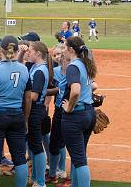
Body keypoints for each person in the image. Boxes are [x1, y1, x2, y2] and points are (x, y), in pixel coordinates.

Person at [0, 35, 32, 187]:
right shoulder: (24, 69)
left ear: (1, 50)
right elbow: (27, 99)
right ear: (16, 50)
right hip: (17, 115)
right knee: (20, 157)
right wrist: (25, 119)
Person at [61, 36, 97, 187]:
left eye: (64, 47)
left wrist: (69, 108)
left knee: (79, 159)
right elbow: (93, 86)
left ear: (71, 49)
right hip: (89, 113)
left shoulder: (73, 66)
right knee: (80, 156)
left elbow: (75, 91)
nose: (63, 50)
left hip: (76, 115)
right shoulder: (86, 63)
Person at [26, 41, 53, 187]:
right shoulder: (37, 67)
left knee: (36, 146)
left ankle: (40, 182)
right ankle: (36, 178)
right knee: (33, 145)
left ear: (38, 53)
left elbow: (34, 96)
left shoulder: (40, 70)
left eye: (30, 50)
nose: (28, 52)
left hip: (35, 110)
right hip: (36, 110)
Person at [46, 44, 70, 185]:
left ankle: (65, 172)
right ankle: (53, 173)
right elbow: (50, 90)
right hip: (58, 110)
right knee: (54, 142)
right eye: (56, 54)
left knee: (68, 143)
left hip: (71, 110)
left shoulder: (74, 70)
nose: (59, 57)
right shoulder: (54, 71)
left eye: (61, 54)